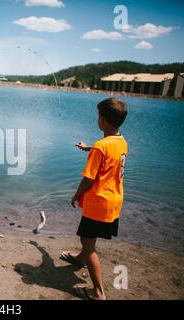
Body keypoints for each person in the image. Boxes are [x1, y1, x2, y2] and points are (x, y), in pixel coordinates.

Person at [61, 97, 128, 300]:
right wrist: (89, 147)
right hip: (113, 202)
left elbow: (88, 180)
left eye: (99, 116)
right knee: (89, 236)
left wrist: (76, 195)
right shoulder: (121, 141)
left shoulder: (101, 147)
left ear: (104, 120)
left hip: (98, 203)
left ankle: (98, 292)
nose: (97, 119)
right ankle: (80, 258)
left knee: (88, 243)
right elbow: (108, 152)